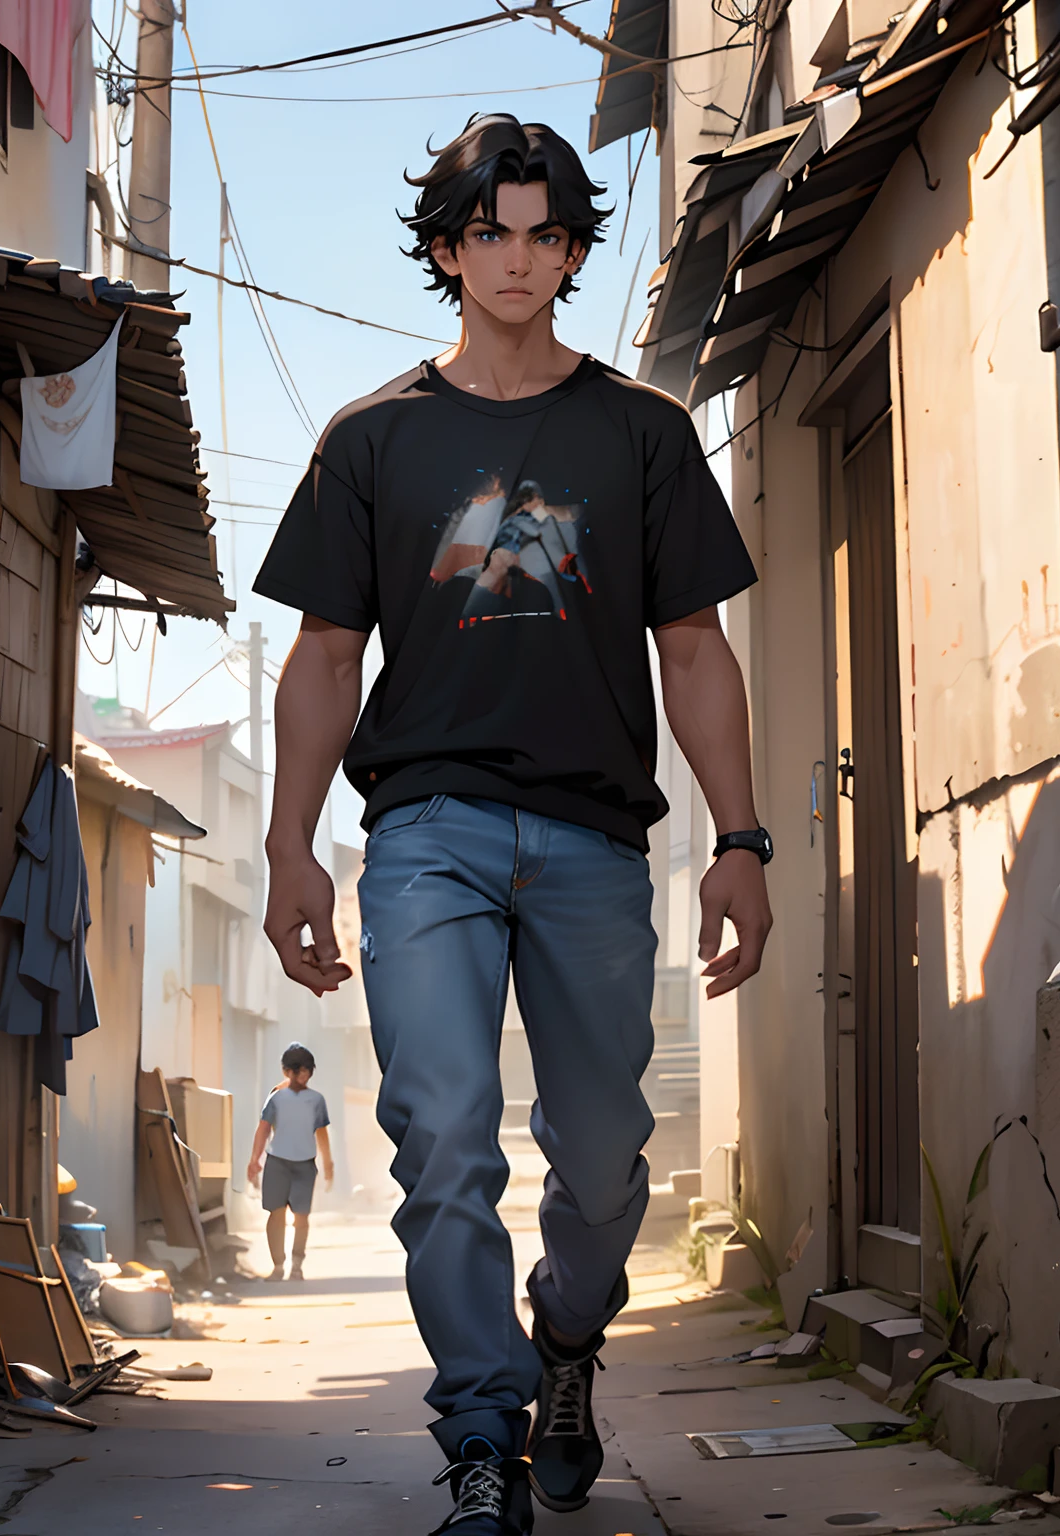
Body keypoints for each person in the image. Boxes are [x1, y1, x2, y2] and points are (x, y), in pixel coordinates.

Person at [253, 113, 773, 1536]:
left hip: (598, 840)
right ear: (446, 247)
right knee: (442, 1131)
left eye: (547, 232)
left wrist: (741, 838)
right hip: (424, 832)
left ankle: (567, 1338)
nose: (519, 257)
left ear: (573, 248)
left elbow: (697, 645)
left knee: (603, 1153)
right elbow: (320, 656)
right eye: (491, 230)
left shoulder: (642, 434)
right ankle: (480, 1432)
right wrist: (292, 842)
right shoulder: (373, 441)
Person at [246, 1041, 334, 1282]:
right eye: (298, 1070)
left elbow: (322, 1133)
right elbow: (263, 1129)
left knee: (302, 1216)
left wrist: (328, 1164)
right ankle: (277, 1265)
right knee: (275, 1214)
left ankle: (297, 1264)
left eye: (307, 1070)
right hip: (277, 1163)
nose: (303, 1075)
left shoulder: (316, 1100)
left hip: (305, 1164)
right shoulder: (276, 1097)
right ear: (287, 1071)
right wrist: (255, 1160)